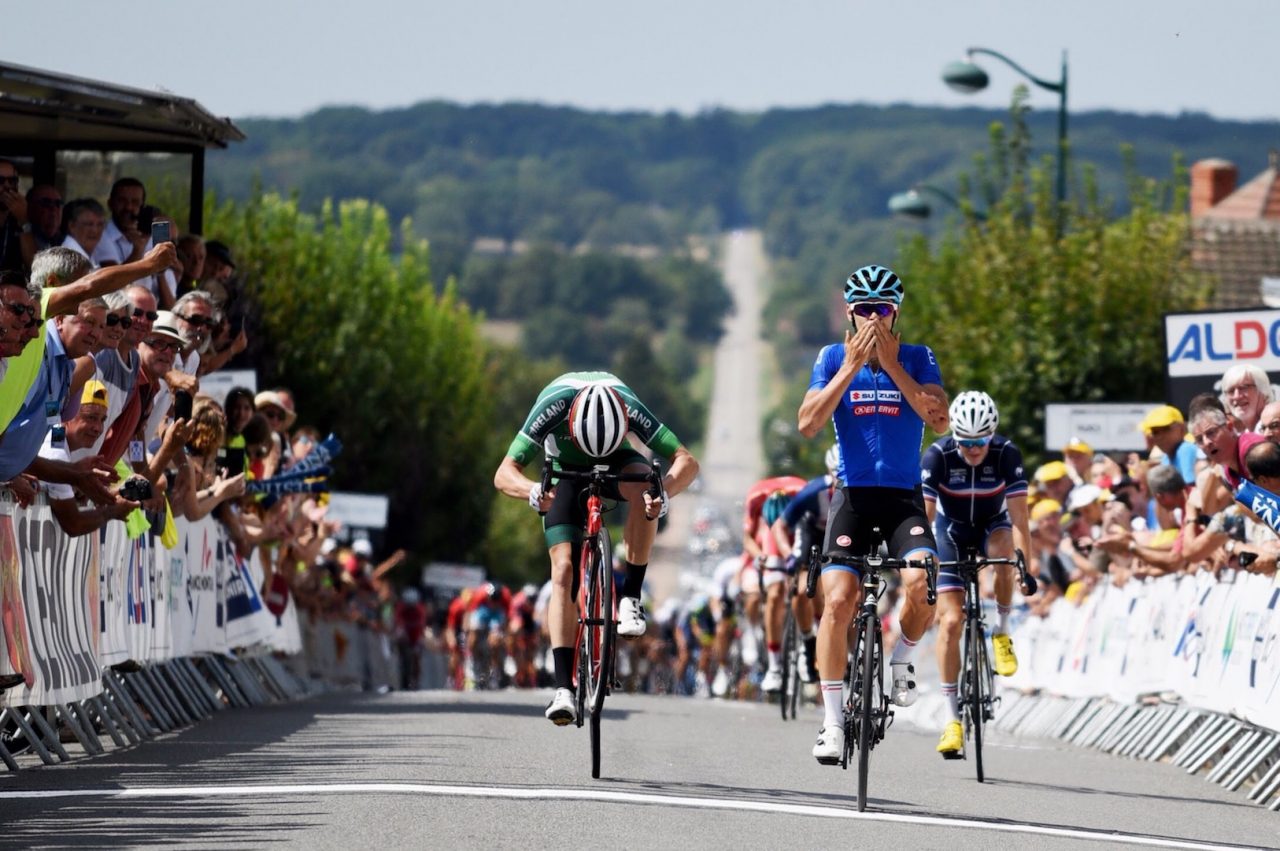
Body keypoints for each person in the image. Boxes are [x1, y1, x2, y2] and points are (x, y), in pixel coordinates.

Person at [796, 264, 949, 764]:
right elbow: (808, 424)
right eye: (864, 311)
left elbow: (938, 416)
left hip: (904, 497)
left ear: (895, 313)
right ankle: (832, 722)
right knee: (837, 600)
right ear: (850, 313)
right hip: (855, 498)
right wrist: (850, 367)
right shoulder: (831, 357)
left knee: (924, 584)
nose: (873, 321)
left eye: (882, 311)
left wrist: (891, 363)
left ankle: (902, 658)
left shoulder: (919, 357)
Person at [494, 372, 699, 725]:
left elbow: (687, 462)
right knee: (563, 572)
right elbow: (504, 473)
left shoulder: (630, 405)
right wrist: (531, 491)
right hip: (564, 470)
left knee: (644, 487)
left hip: (617, 459)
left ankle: (630, 597)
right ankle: (563, 689)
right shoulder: (552, 405)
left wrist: (662, 492)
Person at [920, 391, 1031, 757]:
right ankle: (952, 721)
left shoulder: (1006, 454)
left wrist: (1024, 567)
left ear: (992, 434)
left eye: (980, 442)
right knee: (951, 622)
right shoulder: (938, 456)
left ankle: (1001, 631)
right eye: (965, 443)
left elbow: (1019, 520)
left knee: (1003, 552)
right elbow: (926, 516)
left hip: (992, 527)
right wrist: (924, 560)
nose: (972, 450)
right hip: (950, 532)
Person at [769, 444, 842, 685]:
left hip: (841, 535)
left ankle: (846, 649)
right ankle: (808, 641)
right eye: (836, 475)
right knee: (802, 590)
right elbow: (780, 525)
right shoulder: (813, 491)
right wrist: (789, 554)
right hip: (811, 533)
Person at [739, 474, 806, 693]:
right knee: (775, 591)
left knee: (807, 588)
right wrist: (759, 556)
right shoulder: (756, 498)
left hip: (803, 529)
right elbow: (747, 538)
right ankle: (775, 665)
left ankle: (809, 639)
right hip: (771, 537)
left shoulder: (805, 494)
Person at [1141, 404, 1202, 487]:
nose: (1160, 437)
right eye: (1155, 432)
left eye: (1166, 428)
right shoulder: (1165, 458)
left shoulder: (1186, 449)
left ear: (1182, 428)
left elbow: (1190, 489)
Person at [1220, 365, 1273, 434]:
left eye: (1244, 388)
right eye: (1231, 391)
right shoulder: (1241, 438)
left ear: (1263, 391)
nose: (1237, 396)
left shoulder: (1275, 433)